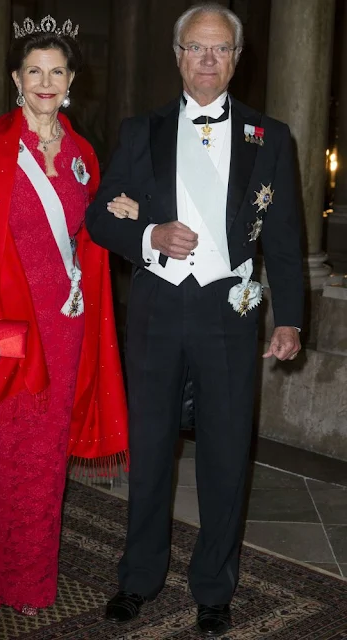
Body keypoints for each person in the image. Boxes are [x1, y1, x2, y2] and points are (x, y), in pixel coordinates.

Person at [86, 3, 303, 636]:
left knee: (226, 455)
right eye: (196, 48)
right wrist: (150, 233)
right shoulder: (138, 131)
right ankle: (139, 578)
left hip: (229, 316)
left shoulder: (272, 135)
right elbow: (101, 217)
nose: (207, 60)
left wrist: (289, 317)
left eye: (220, 50)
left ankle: (214, 587)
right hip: (156, 310)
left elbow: (285, 238)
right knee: (150, 451)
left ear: (238, 59)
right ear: (178, 56)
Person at [0, 15, 138, 617]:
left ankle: (28, 584)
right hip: (6, 326)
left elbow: (89, 237)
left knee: (43, 458)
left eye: (57, 72)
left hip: (64, 325)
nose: (46, 82)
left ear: (71, 81)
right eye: (34, 71)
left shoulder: (83, 156)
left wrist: (117, 212)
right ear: (17, 78)